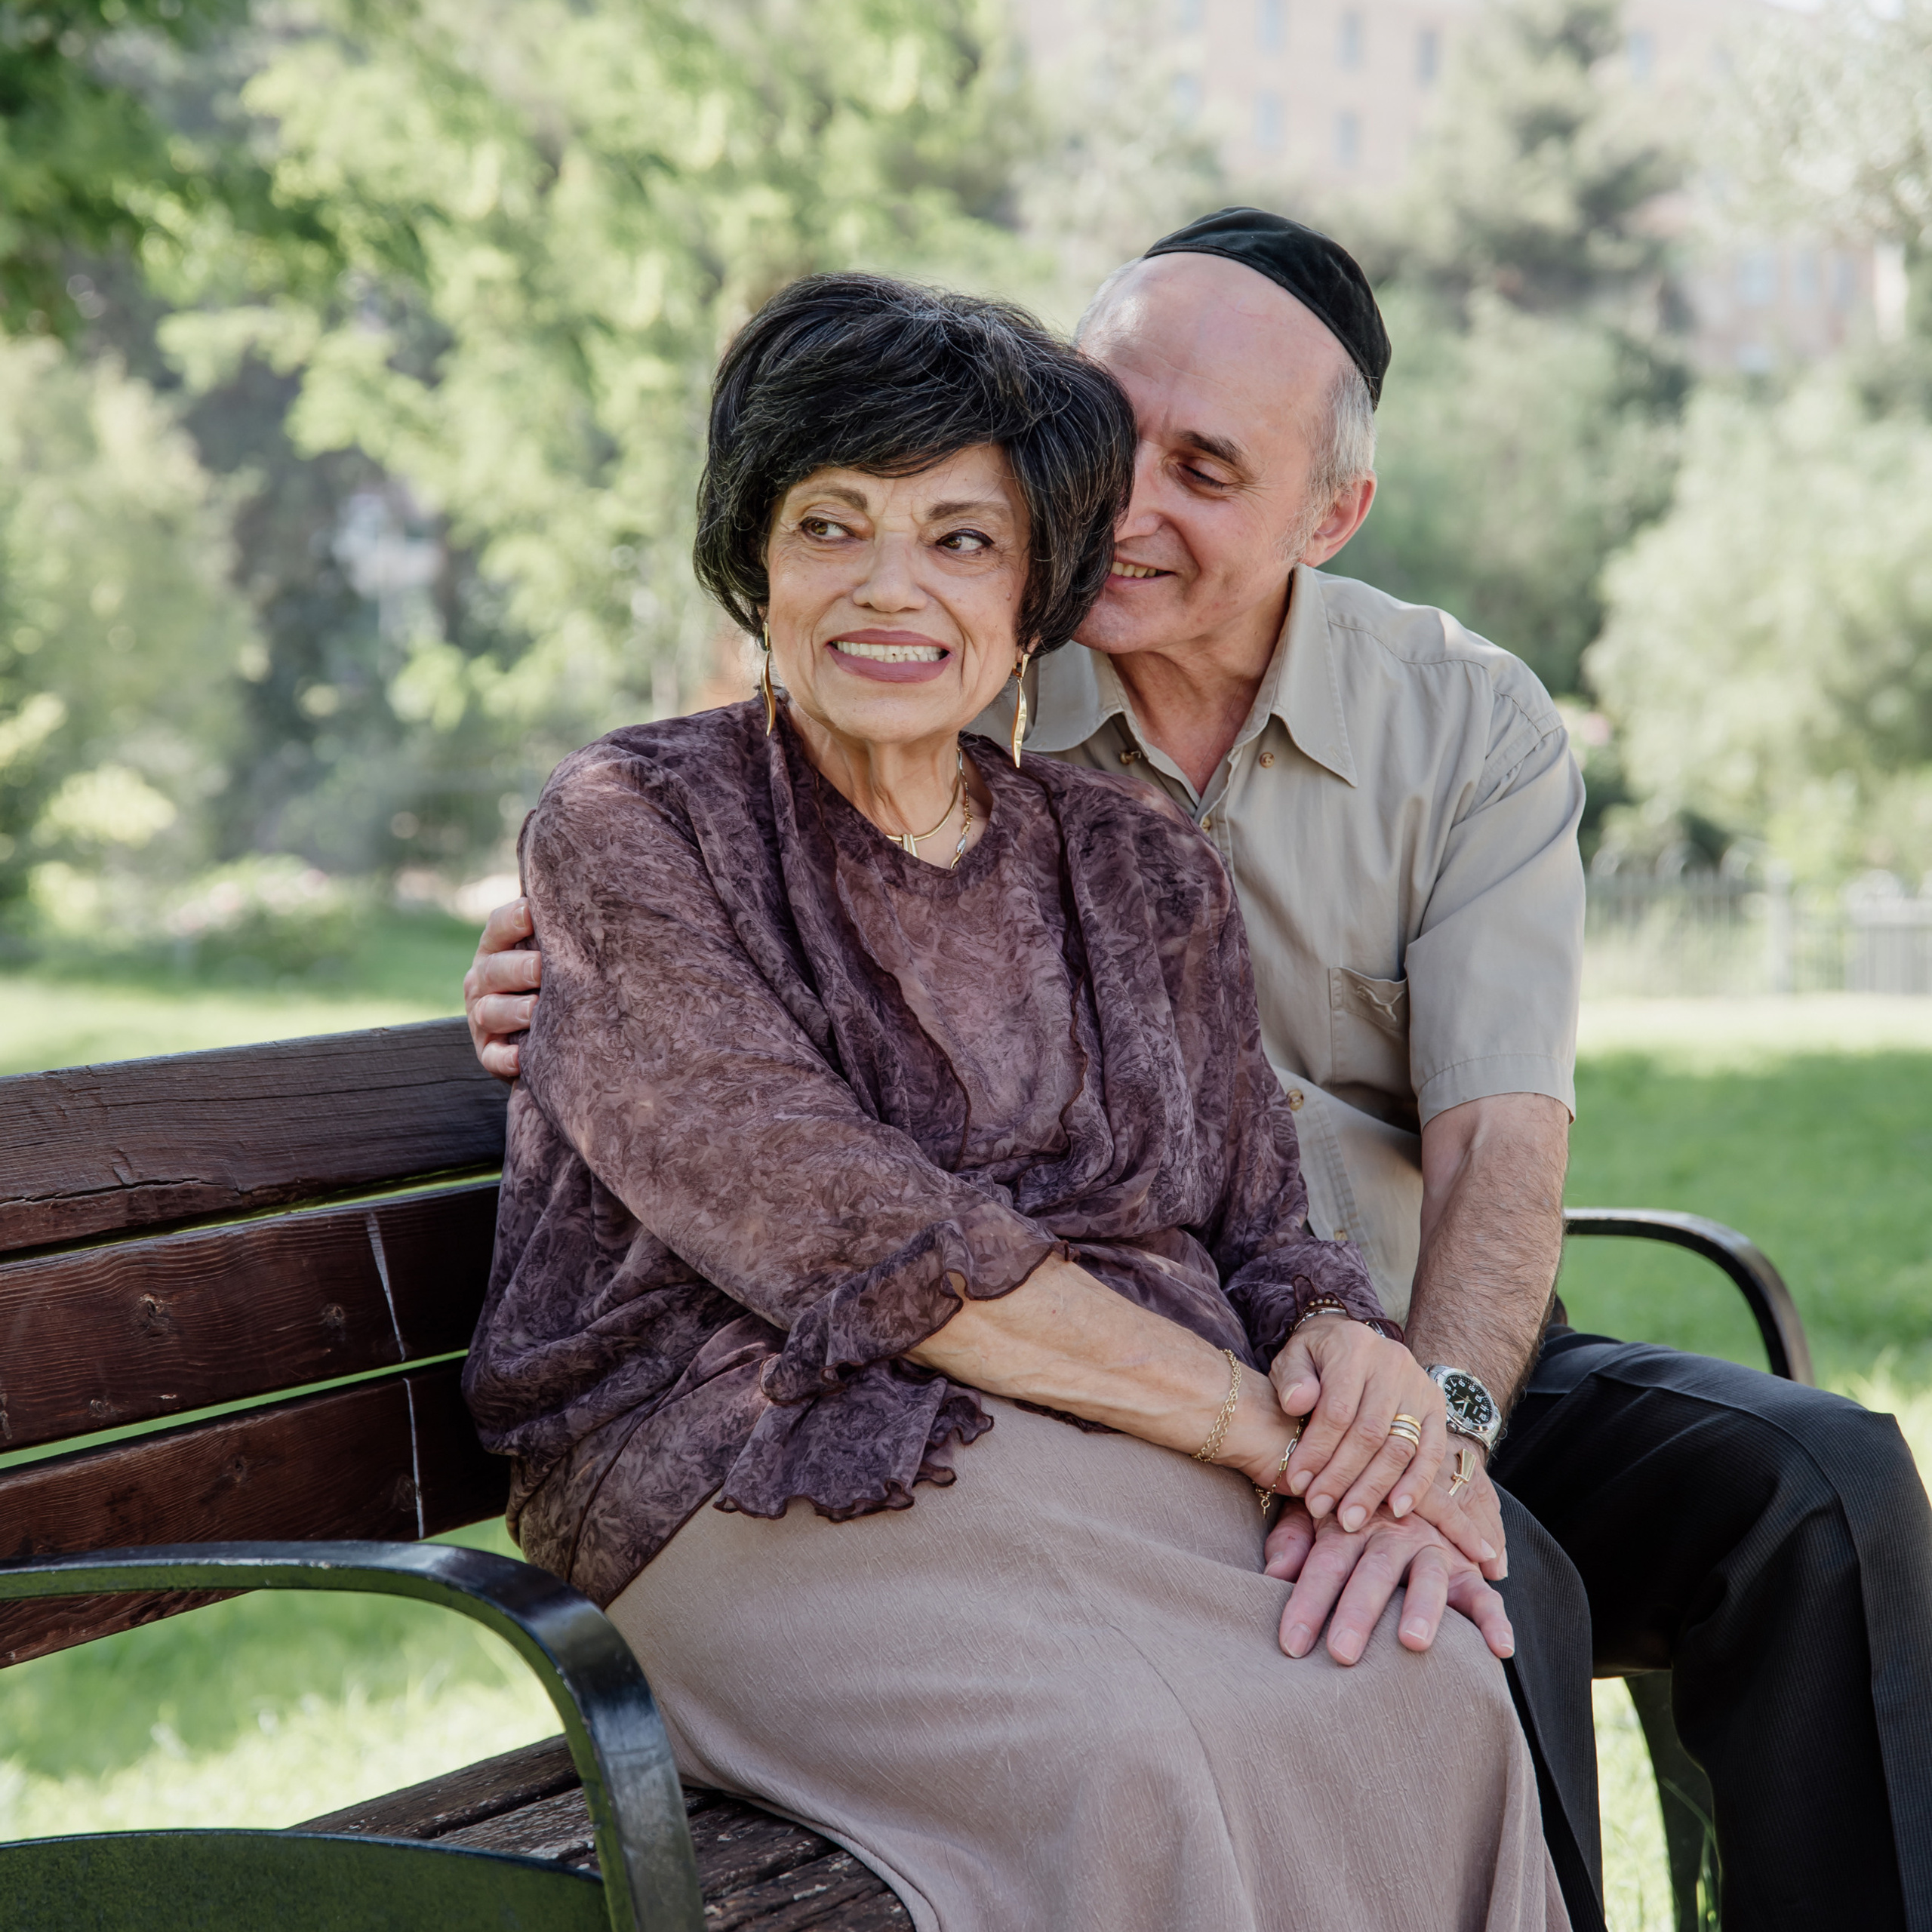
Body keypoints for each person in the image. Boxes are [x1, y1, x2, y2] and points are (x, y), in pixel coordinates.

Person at [468, 209, 1932, 1932]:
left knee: (1734, 1519)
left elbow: (1462, 1155)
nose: (1132, 513)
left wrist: (1417, 1421)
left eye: (1205, 470)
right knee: (1344, 1660)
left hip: (1356, 1366)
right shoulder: (798, 743)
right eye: (833, 528)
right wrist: (558, 953)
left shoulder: (1416, 740)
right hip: (946, 1416)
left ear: (1324, 515)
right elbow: (797, 1137)